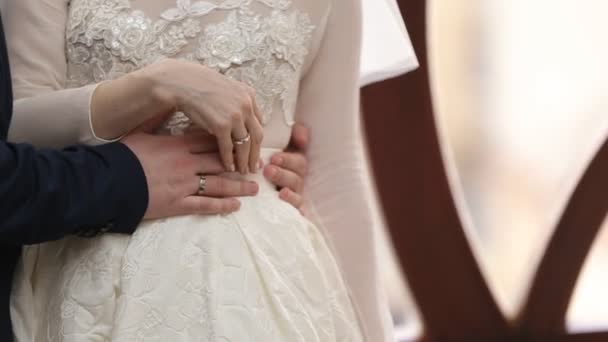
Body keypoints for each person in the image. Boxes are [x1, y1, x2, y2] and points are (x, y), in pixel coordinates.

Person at [5, 0, 394, 340]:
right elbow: (15, 129)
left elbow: (337, 175)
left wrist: (373, 332)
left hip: (268, 280)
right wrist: (153, 86)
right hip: (92, 257)